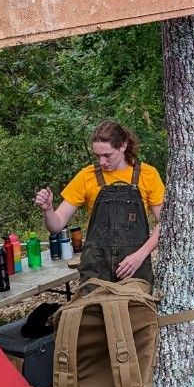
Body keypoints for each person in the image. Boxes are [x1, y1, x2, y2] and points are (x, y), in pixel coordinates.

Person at [35, 120, 163, 284]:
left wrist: (140, 255)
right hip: (96, 269)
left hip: (134, 269)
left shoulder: (148, 174)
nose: (102, 162)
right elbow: (56, 225)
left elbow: (164, 224)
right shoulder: (86, 176)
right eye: (97, 156)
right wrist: (47, 210)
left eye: (107, 155)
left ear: (123, 146)